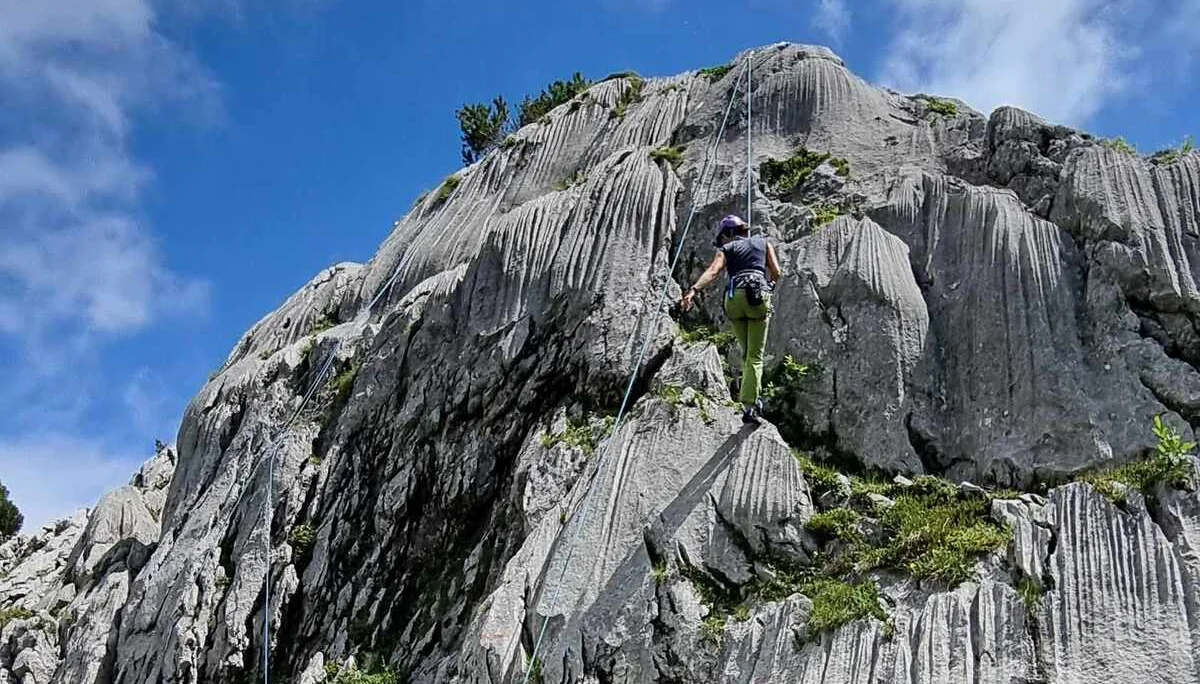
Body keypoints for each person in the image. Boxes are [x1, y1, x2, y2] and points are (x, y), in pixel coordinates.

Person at [679, 214, 782, 425]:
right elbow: (777, 272)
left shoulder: (726, 249)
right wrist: (768, 286)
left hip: (734, 300)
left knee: (747, 355)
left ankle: (750, 400)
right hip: (758, 297)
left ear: (728, 234)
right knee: (755, 356)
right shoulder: (764, 244)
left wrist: (693, 291)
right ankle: (751, 405)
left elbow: (714, 271)